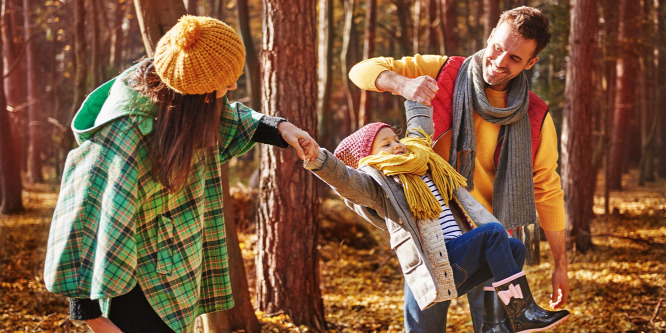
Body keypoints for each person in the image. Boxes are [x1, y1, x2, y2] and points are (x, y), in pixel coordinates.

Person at [43, 15, 318, 333]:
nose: (231, 89)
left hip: (176, 274)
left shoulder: (183, 100)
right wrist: (89, 314)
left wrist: (279, 128)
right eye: (227, 84)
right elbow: (84, 217)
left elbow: (226, 117)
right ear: (199, 92)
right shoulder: (124, 133)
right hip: (135, 291)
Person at [348, 6, 568, 333]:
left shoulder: (536, 115)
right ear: (490, 36)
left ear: (531, 63)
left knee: (496, 329)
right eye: (497, 47)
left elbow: (547, 190)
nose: (499, 61)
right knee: (425, 329)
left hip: (492, 235)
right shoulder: (443, 72)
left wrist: (560, 265)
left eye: (515, 58)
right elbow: (361, 70)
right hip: (432, 231)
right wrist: (402, 85)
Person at [303, 100, 570, 333]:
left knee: (514, 247)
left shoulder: (422, 162)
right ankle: (522, 312)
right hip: (435, 261)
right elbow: (345, 180)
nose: (397, 146)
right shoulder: (377, 185)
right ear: (368, 159)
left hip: (458, 256)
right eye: (386, 144)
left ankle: (495, 325)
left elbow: (421, 131)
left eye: (396, 139)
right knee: (492, 233)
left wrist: (417, 99)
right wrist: (319, 161)